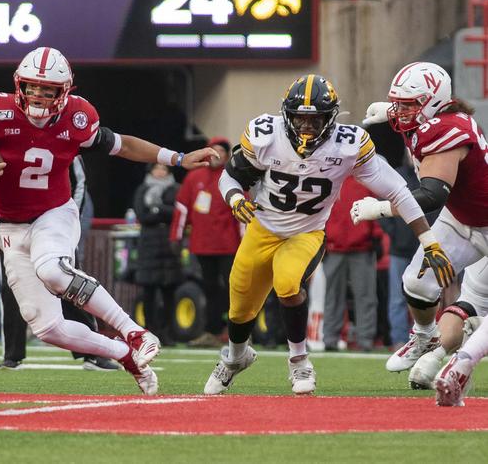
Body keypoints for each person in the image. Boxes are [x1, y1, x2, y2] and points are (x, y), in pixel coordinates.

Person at [0, 46, 220, 395]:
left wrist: (178, 158)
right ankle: (124, 355)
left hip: (54, 212)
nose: (38, 95)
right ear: (20, 85)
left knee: (52, 270)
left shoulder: (78, 117)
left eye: (47, 89)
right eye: (32, 86)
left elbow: (122, 145)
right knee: (48, 329)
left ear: (63, 92)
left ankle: (134, 332)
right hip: (11, 226)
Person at [204, 74, 454, 396]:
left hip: (306, 232)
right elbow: (229, 177)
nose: (307, 126)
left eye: (315, 119)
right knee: (239, 306)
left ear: (331, 118)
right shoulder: (266, 135)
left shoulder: (348, 145)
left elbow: (399, 192)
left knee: (288, 284)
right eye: (300, 118)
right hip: (262, 228)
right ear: (287, 115)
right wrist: (235, 198)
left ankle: (299, 361)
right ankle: (236, 357)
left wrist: (428, 241)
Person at [351, 62, 488, 404]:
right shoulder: (432, 119)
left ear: (433, 101)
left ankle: (461, 362)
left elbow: (431, 194)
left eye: (409, 104)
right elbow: (413, 120)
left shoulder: (447, 129)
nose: (401, 111)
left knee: (475, 304)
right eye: (398, 103)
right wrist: (390, 110)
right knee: (416, 283)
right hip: (462, 218)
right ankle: (425, 336)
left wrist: (380, 208)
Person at [0, 156, 121, 371]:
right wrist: (0, 224)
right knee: (12, 288)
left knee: (68, 282)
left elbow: (80, 183)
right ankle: (12, 355)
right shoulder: (2, 145)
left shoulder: (64, 141)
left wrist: (69, 224)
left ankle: (93, 353)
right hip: (13, 228)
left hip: (52, 228)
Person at [170, 137, 240, 347]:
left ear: (227, 156)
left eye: (221, 151)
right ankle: (212, 331)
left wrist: (247, 242)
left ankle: (238, 332)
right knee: (209, 288)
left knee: (234, 288)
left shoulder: (232, 178)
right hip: (202, 245)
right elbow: (182, 209)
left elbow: (242, 212)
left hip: (229, 245)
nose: (217, 155)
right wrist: (176, 237)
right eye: (213, 150)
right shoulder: (194, 177)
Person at [322, 178, 384, 351]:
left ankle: (365, 339)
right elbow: (319, 210)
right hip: (335, 246)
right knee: (334, 295)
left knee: (364, 295)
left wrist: (376, 235)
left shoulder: (364, 179)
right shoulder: (331, 178)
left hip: (361, 246)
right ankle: (330, 339)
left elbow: (375, 208)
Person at [133, 163, 180, 346]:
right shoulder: (143, 189)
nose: (160, 172)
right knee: (149, 292)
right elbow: (142, 215)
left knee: (169, 291)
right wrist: (162, 211)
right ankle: (149, 331)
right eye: (157, 168)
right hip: (149, 246)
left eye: (164, 169)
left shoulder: (176, 189)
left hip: (170, 245)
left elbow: (177, 213)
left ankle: (167, 332)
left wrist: (157, 209)